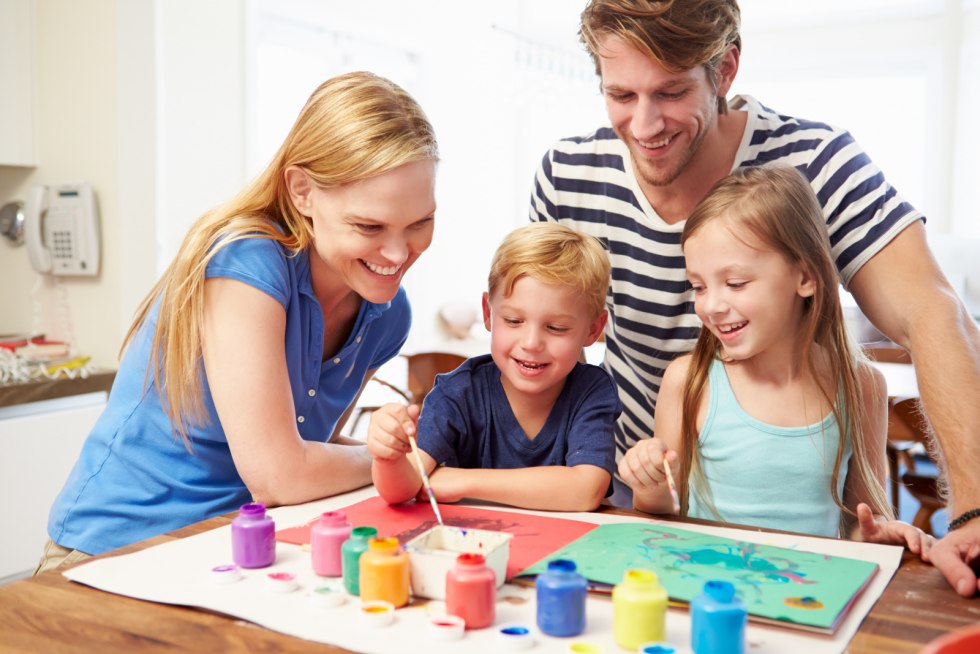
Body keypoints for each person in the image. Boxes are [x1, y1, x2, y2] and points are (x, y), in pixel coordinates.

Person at [530, 0, 980, 594]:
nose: (643, 126)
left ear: (725, 70)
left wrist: (972, 515)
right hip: (640, 504)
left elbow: (933, 312)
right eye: (620, 96)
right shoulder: (567, 175)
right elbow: (540, 348)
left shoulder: (818, 163)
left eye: (669, 93)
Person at [37, 72, 439, 572]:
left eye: (420, 222)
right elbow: (279, 473)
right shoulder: (249, 262)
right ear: (302, 191)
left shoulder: (386, 314)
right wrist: (406, 462)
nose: (398, 253)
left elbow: (311, 448)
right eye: (369, 226)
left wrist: (406, 452)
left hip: (232, 550)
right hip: (114, 553)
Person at [622, 166, 933, 557]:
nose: (711, 305)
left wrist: (883, 534)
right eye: (699, 286)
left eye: (735, 283)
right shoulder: (688, 380)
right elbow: (666, 511)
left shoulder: (862, 386)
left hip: (808, 600)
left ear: (805, 276)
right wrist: (648, 484)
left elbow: (863, 522)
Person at [367, 222, 622, 512]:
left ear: (592, 330)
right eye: (514, 321)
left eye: (556, 327)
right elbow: (405, 487)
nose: (531, 342)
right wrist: (388, 457)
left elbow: (586, 490)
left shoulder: (591, 391)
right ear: (488, 313)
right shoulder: (458, 393)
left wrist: (463, 482)